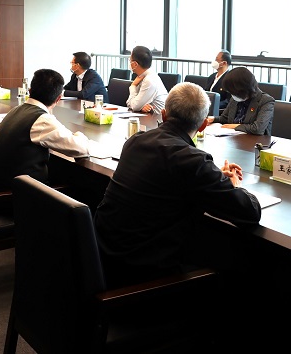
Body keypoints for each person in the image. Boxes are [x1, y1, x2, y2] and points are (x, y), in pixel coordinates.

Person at [94, 81, 261, 286]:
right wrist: (233, 185)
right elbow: (250, 212)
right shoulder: (193, 162)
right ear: (203, 125)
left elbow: (169, 173)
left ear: (164, 115)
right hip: (144, 275)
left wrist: (213, 175)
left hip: (103, 256)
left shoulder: (135, 141)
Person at [0, 68, 90, 192]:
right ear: (58, 98)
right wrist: (78, 134)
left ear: (30, 91)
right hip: (22, 195)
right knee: (82, 188)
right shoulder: (42, 120)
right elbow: (81, 149)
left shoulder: (15, 110)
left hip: (5, 187)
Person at [207, 66, 274, 135]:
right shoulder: (235, 97)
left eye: (233, 92)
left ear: (243, 88)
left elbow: (258, 129)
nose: (232, 95)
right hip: (234, 137)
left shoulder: (265, 101)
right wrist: (213, 119)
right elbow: (225, 118)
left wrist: (235, 126)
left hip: (255, 140)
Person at [126, 45, 167, 114]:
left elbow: (134, 106)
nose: (129, 62)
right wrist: (140, 106)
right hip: (149, 116)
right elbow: (131, 104)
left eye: (130, 60)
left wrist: (133, 86)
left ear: (135, 64)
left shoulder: (150, 80)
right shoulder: (143, 76)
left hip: (159, 118)